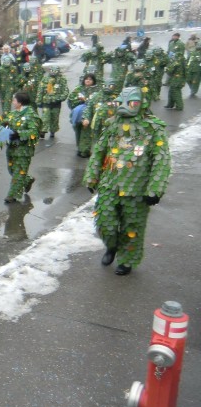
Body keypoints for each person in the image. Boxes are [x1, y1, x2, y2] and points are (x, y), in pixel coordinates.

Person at [83, 87, 171, 275]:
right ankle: (112, 246)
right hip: (109, 183)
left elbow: (161, 160)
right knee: (105, 221)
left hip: (137, 188)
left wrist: (155, 188)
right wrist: (92, 176)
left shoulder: (154, 128)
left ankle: (127, 259)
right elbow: (99, 152)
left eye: (131, 103)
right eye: (120, 103)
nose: (124, 107)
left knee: (132, 226)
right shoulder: (112, 125)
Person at [4, 92, 41, 203]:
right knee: (12, 170)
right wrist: (4, 125)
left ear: (20, 102)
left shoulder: (31, 115)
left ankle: (12, 195)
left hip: (23, 150)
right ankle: (28, 180)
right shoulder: (13, 113)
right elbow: (7, 122)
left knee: (18, 173)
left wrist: (19, 133)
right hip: (11, 148)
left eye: (14, 100)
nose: (12, 102)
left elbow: (34, 132)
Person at [68, 73, 97, 158]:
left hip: (88, 115)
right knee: (78, 131)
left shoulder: (96, 91)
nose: (88, 80)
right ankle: (79, 148)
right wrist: (79, 101)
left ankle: (85, 150)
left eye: (90, 79)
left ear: (93, 81)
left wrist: (86, 100)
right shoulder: (78, 89)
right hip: (77, 115)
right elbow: (71, 101)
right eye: (86, 79)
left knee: (86, 133)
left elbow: (96, 102)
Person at [36, 65, 68, 139]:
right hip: (46, 102)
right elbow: (40, 90)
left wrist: (60, 98)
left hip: (56, 103)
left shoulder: (61, 80)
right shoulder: (45, 79)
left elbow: (65, 91)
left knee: (54, 117)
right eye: (52, 71)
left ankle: (52, 131)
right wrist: (38, 100)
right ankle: (43, 131)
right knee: (45, 117)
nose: (53, 72)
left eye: (55, 71)